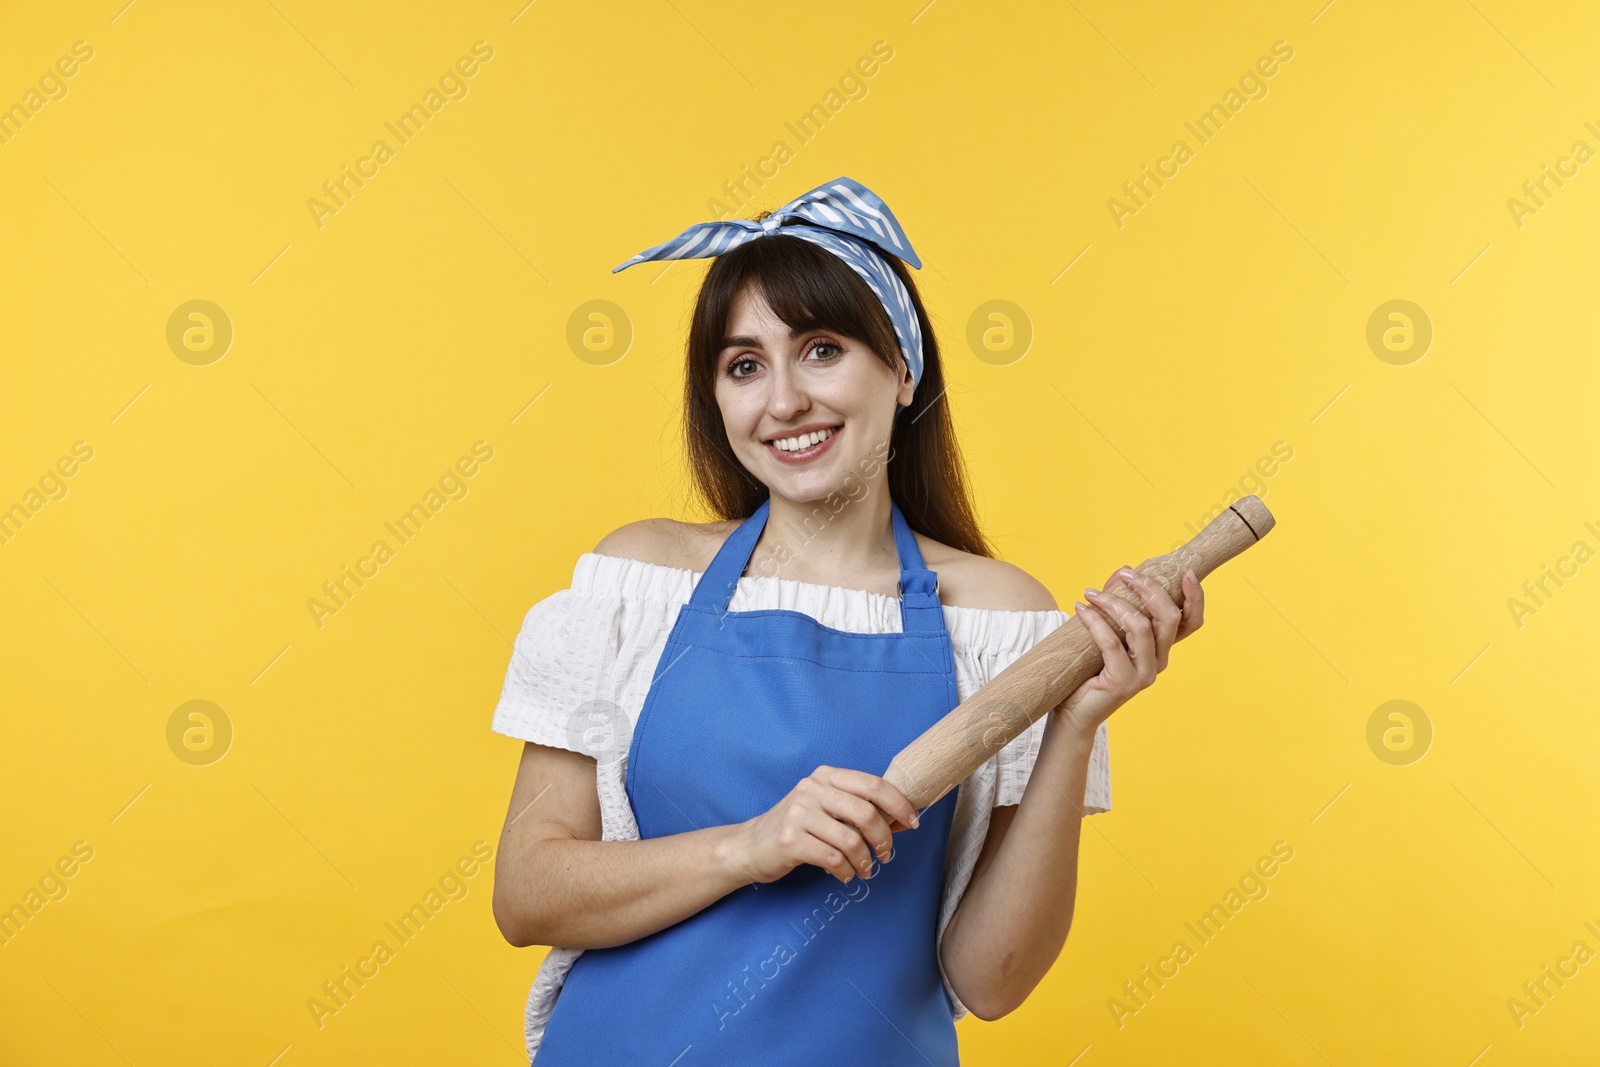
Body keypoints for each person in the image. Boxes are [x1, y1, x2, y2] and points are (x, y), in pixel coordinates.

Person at [489, 176, 1204, 1064]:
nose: (783, 400)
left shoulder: (1000, 622)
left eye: (821, 350)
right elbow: (526, 892)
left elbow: (993, 979)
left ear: (902, 369)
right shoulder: (638, 581)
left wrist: (1076, 723)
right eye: (744, 365)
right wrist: (752, 844)